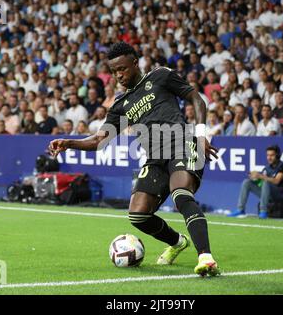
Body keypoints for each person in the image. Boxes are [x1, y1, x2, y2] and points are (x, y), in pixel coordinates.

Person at [49, 42, 220, 276]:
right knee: (138, 215)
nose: (119, 75)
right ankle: (178, 243)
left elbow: (197, 99)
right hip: (155, 158)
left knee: (181, 194)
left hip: (182, 143)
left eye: (122, 69)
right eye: (114, 71)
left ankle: (206, 258)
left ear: (135, 63)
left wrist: (201, 135)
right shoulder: (120, 105)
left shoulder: (160, 76)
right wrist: (69, 143)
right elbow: (99, 141)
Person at [228, 145, 283, 219]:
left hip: (281, 194)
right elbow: (261, 183)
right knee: (247, 182)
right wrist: (255, 178)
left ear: (277, 155)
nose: (269, 158)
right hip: (269, 195)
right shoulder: (267, 168)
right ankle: (240, 209)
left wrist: (260, 176)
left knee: (266, 182)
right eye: (268, 155)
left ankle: (263, 211)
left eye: (272, 155)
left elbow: (276, 181)